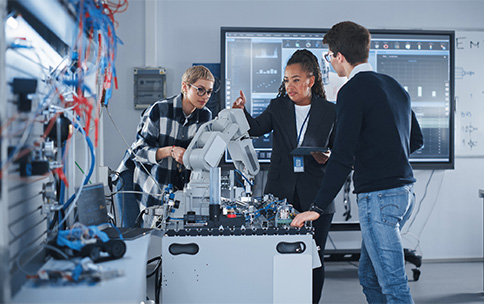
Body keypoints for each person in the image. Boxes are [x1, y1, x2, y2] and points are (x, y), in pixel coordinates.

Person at [291, 21, 424, 303]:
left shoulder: (351, 91)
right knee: (369, 276)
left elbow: (341, 156)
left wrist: (316, 207)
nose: (329, 62)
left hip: (379, 198)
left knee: (394, 285)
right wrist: (374, 157)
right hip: (404, 194)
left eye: (329, 56)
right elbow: (415, 141)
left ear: (339, 56)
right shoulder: (394, 86)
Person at [233, 49, 337, 303]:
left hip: (316, 193)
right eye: (287, 80)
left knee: (315, 258)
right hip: (281, 193)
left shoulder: (330, 111)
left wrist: (328, 156)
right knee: (279, 255)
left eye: (296, 80)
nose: (289, 86)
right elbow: (256, 129)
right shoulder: (277, 107)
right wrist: (240, 111)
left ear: (311, 81)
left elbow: (341, 150)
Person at [114, 65, 214, 227]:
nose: (205, 96)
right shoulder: (159, 110)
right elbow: (138, 151)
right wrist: (171, 151)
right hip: (136, 178)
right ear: (185, 87)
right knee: (135, 235)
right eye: (200, 90)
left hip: (170, 179)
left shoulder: (205, 116)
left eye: (209, 91)